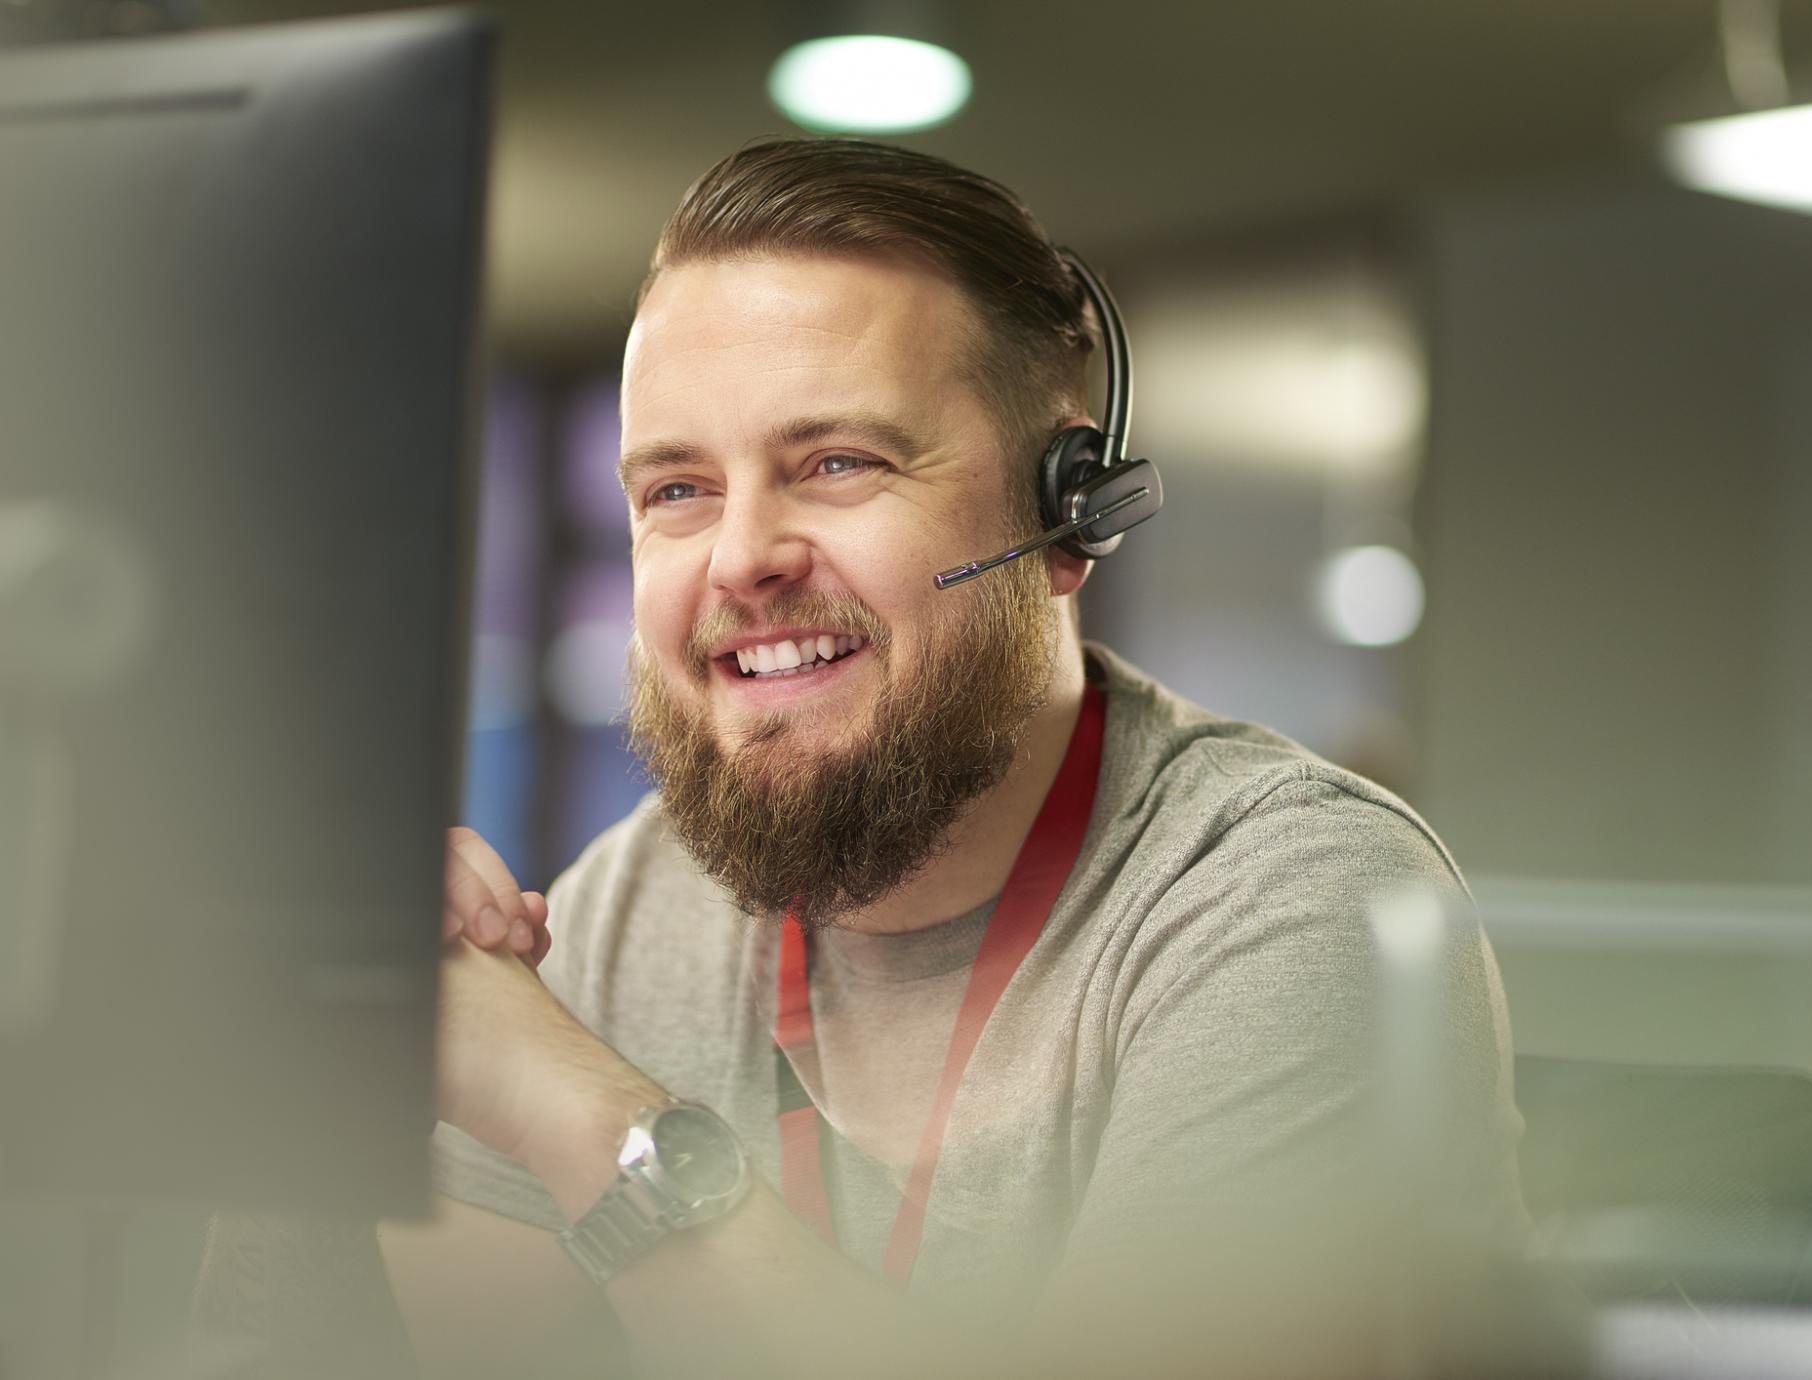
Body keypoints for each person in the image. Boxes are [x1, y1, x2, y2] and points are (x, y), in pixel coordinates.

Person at [194, 137, 1527, 1380]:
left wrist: (577, 1111)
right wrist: (354, 1039)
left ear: (1069, 518)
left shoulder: (1295, 903)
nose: (740, 557)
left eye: (835, 462)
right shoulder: (629, 904)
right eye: (677, 490)